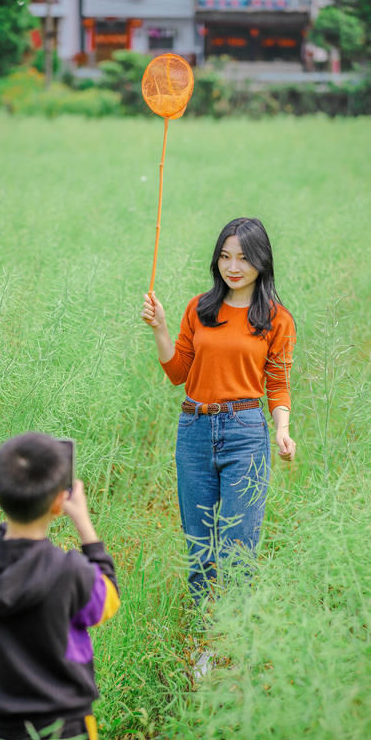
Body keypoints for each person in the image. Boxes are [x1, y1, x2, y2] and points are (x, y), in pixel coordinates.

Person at [141, 217, 296, 601]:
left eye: (243, 258)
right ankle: (203, 644)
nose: (233, 267)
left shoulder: (277, 319)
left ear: (261, 261)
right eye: (225, 257)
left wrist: (282, 430)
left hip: (246, 433)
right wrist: (160, 328)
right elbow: (178, 372)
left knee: (238, 548)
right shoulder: (200, 308)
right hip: (193, 429)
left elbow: (277, 384)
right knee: (200, 548)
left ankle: (235, 644)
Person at [0, 432, 120, 740]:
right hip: (64, 728)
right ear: (60, 503)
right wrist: (85, 526)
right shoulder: (71, 571)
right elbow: (107, 603)